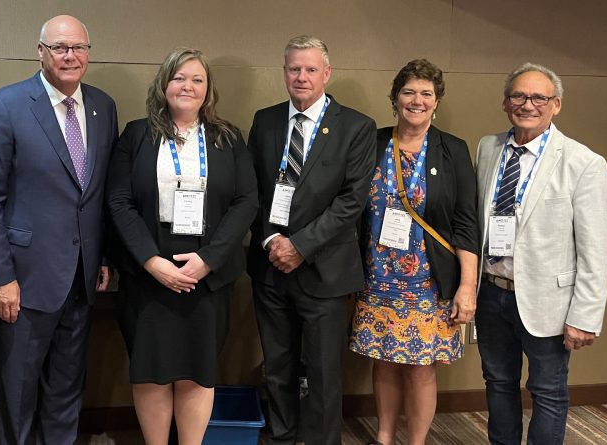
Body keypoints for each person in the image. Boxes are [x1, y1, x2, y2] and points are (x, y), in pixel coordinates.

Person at [0, 15, 118, 445]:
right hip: (23, 281)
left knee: (68, 387)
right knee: (18, 392)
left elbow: (99, 192)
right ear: (40, 52)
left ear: (89, 54)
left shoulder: (103, 107)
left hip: (82, 277)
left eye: (78, 47)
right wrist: (0, 277)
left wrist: (102, 256)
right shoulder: (5, 105)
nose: (70, 56)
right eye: (59, 47)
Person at [106, 47, 258, 445]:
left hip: (208, 275)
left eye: (197, 79)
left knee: (198, 370)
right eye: (179, 77)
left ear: (208, 90)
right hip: (149, 273)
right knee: (151, 370)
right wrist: (150, 261)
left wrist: (209, 259)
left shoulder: (228, 137)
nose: (187, 86)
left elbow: (247, 202)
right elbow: (118, 201)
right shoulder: (137, 135)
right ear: (164, 84)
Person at [247, 35, 376, 445]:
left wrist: (299, 245)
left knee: (322, 372)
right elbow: (251, 192)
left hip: (326, 271)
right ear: (284, 71)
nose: (301, 77)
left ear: (327, 73)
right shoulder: (265, 120)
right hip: (270, 268)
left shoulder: (356, 127)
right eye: (293, 69)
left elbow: (351, 201)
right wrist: (271, 242)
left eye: (310, 69)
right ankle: (283, 436)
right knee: (277, 365)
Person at [475, 62, 607, 445]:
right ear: (505, 103)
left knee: (547, 392)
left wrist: (585, 316)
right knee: (498, 383)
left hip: (549, 303)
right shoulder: (488, 149)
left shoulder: (584, 163)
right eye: (519, 95)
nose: (528, 104)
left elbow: (594, 250)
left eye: (539, 97)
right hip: (492, 292)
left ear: (557, 105)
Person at [348, 59, 479, 445]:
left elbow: (466, 222)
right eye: (408, 92)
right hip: (377, 277)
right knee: (384, 361)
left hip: (428, 282)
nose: (416, 101)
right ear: (395, 99)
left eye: (426, 94)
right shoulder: (371, 141)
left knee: (421, 367)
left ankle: (416, 442)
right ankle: (385, 436)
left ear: (436, 102)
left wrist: (467, 287)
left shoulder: (452, 150)